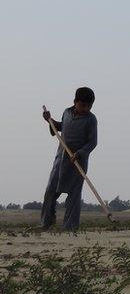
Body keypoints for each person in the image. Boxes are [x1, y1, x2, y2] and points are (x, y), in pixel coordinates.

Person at [41, 87, 98, 231]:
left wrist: (79, 154)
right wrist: (50, 120)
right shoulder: (67, 112)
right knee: (50, 191)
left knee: (73, 196)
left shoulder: (91, 120)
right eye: (82, 105)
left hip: (77, 162)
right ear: (75, 102)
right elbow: (60, 127)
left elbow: (92, 142)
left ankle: (70, 228)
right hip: (61, 160)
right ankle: (46, 222)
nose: (85, 109)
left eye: (89, 106)